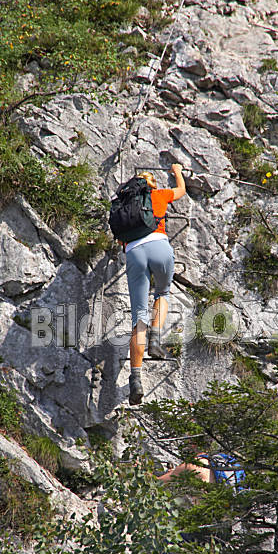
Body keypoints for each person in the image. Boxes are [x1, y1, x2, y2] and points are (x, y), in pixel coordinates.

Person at [126, 164, 186, 405]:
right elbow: (181, 191)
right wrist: (177, 171)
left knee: (138, 316)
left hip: (134, 251)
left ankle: (136, 379)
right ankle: (155, 339)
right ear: (151, 184)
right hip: (159, 245)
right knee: (162, 292)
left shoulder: (125, 204)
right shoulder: (159, 195)